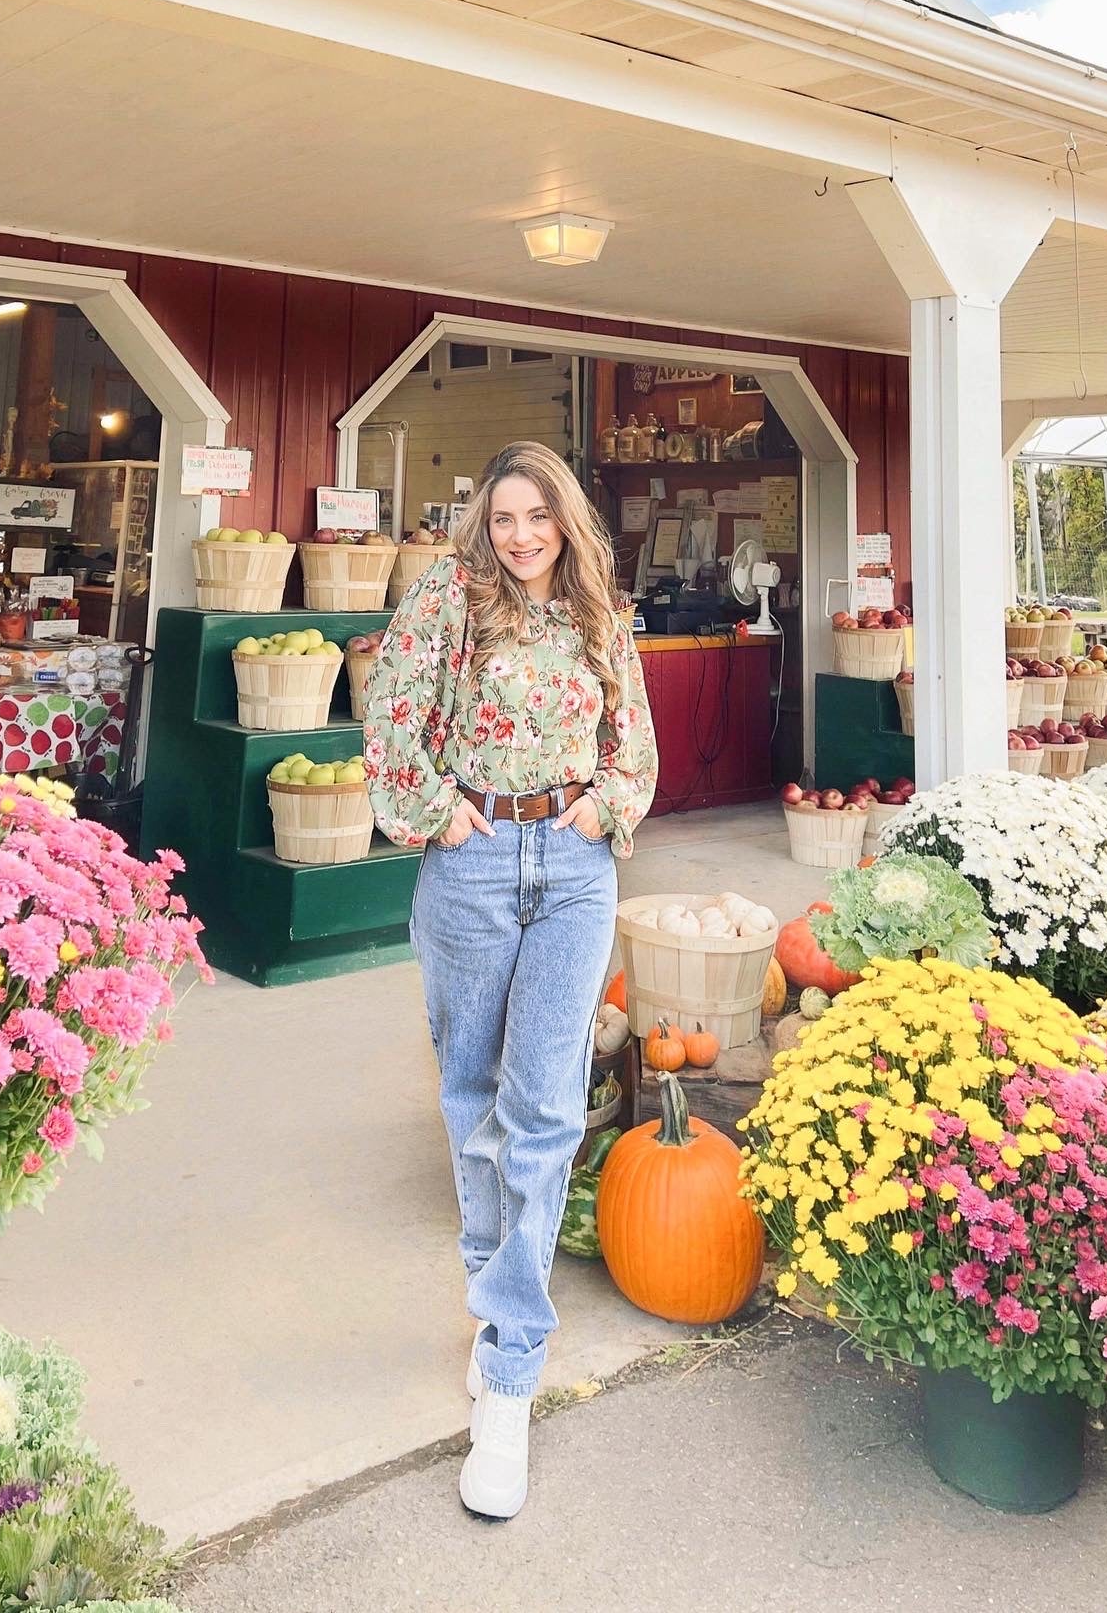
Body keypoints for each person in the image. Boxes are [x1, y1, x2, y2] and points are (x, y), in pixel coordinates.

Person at [364, 442, 657, 1520]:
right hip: (475, 859)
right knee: (472, 1097)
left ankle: (511, 1367)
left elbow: (638, 742)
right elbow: (392, 705)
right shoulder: (452, 595)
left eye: (540, 517)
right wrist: (437, 807)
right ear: (484, 524)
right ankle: (496, 1307)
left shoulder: (597, 611)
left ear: (566, 521)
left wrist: (608, 806)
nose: (522, 535)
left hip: (574, 863)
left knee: (543, 1109)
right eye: (505, 518)